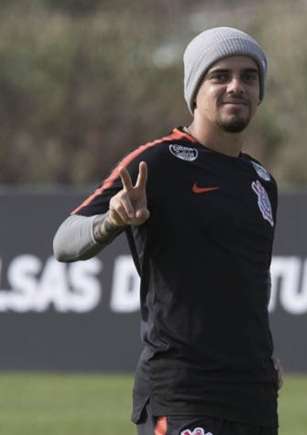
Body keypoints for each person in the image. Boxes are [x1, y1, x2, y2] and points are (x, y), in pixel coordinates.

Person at [53, 27, 280, 435]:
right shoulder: (158, 163)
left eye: (248, 77)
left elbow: (253, 280)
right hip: (183, 390)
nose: (236, 86)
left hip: (253, 393)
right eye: (220, 76)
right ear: (195, 90)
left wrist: (267, 355)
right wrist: (113, 221)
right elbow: (64, 241)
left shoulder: (261, 181)